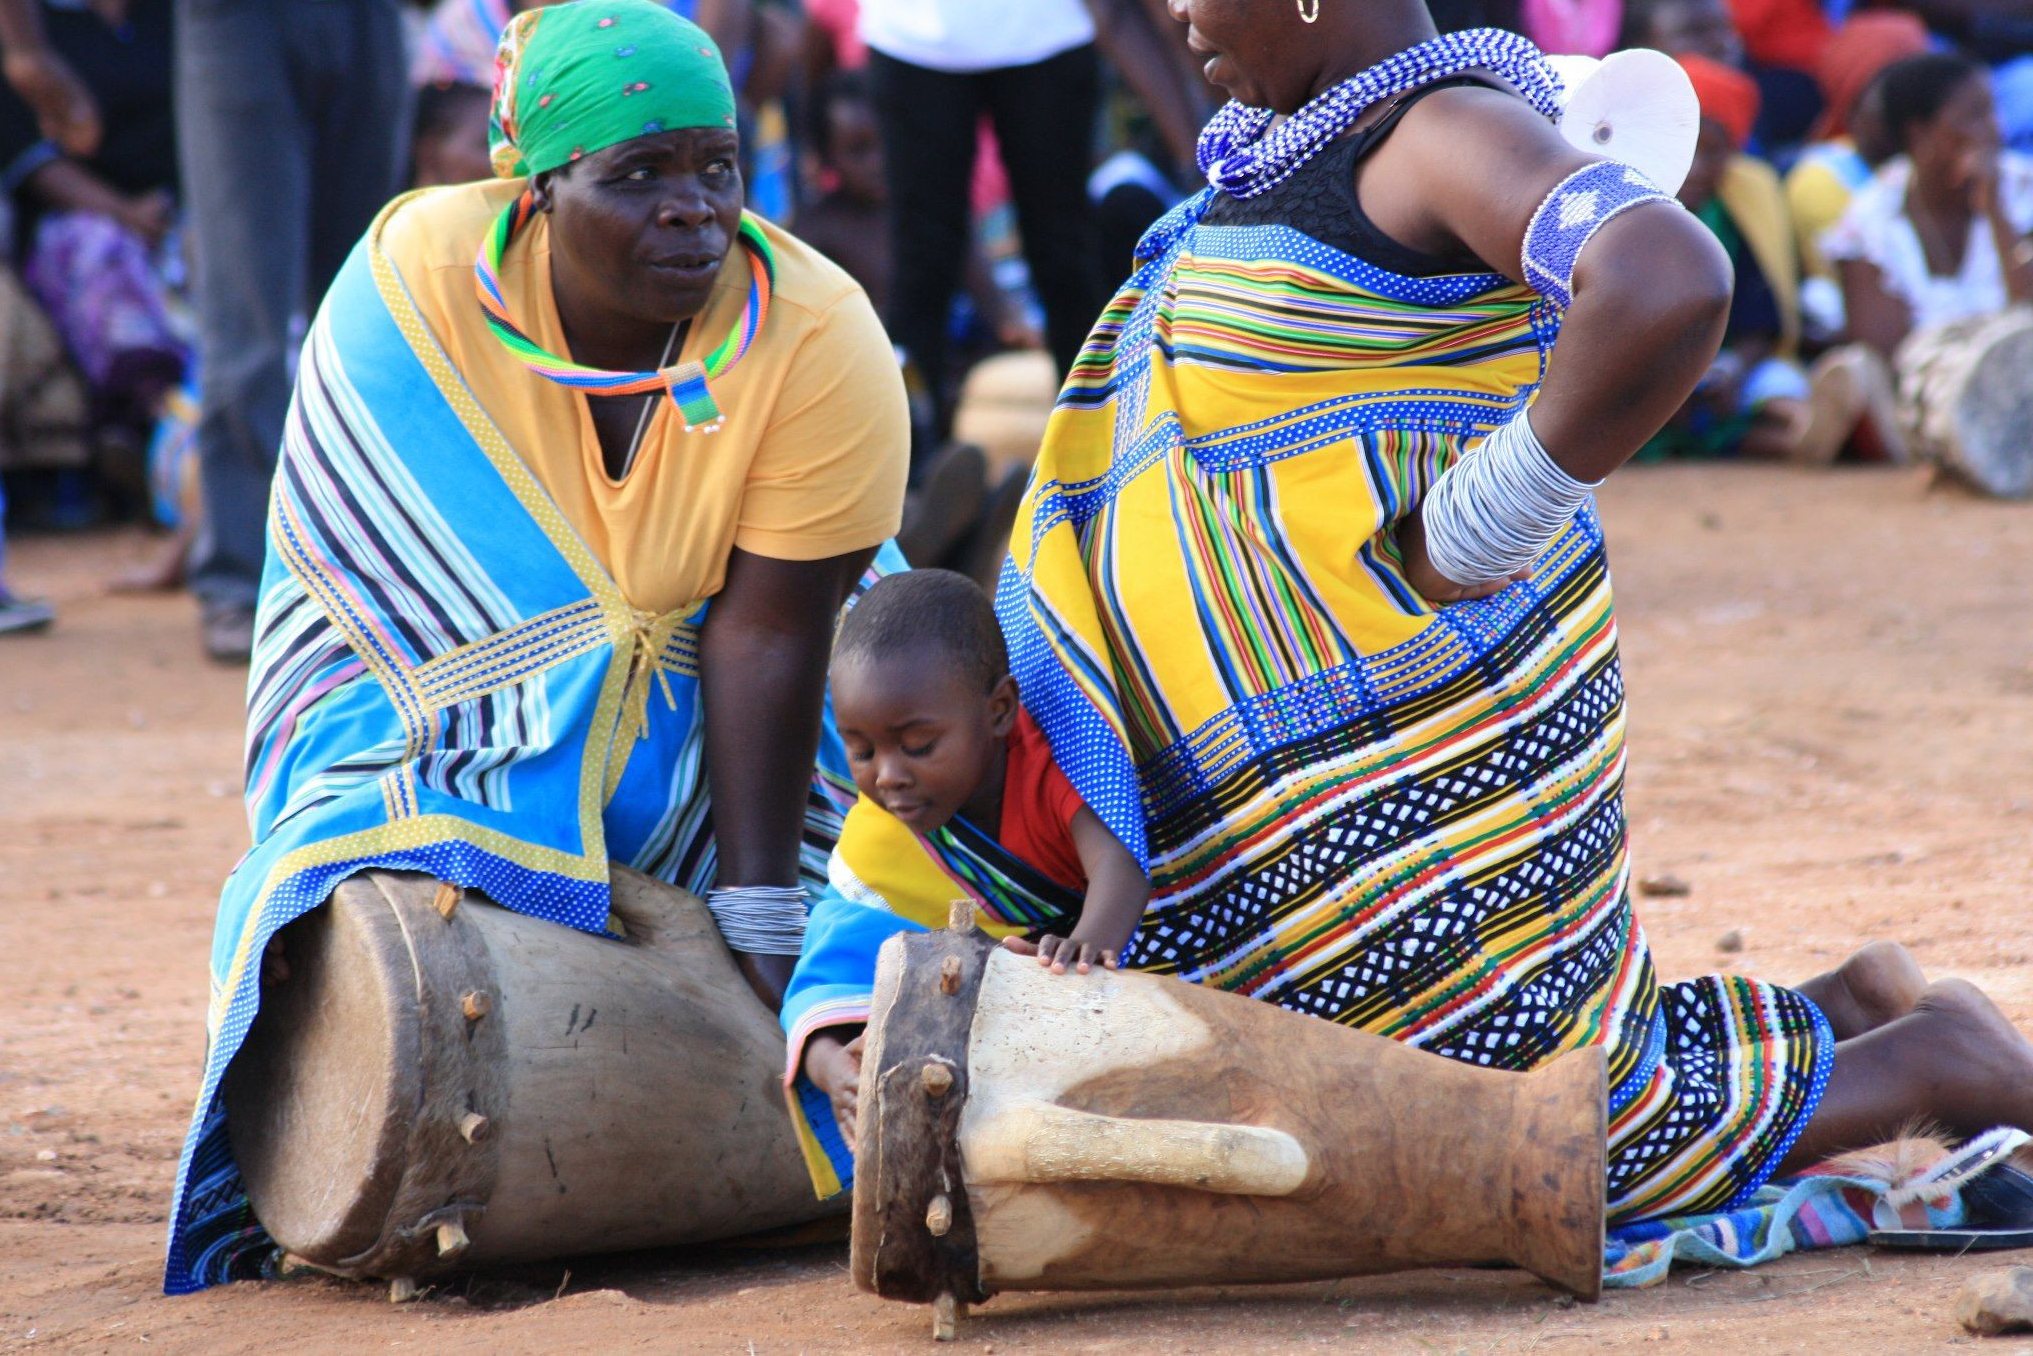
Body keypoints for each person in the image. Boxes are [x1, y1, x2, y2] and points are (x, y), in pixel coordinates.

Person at [790, 0, 2033, 1235]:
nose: (1171, 11)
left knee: (1528, 1135)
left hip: (1419, 754)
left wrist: (1487, 513)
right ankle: (1855, 1008)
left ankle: (1941, 1064)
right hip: (1296, 802)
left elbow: (1661, 277)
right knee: (1389, 1102)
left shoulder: (1433, 132)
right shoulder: (1290, 141)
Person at [162, 0, 908, 1293]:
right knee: (352, 870)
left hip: (731, 734)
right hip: (443, 714)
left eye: (716, 167)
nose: (695, 208)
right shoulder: (412, 287)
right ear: (539, 187)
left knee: (903, 853)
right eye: (639, 176)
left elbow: (772, 635)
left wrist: (760, 922)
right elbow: (369, 598)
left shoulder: (816, 329)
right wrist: (581, 667)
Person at [795, 570, 1150, 1146]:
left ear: (999, 710)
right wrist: (830, 1067)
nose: (888, 776)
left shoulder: (1050, 757)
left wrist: (1085, 947)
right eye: (860, 751)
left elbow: (1120, 866)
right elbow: (823, 979)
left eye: (918, 746)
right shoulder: (879, 840)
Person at [178, 0, 414, 663]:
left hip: (369, 16)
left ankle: (374, 577)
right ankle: (237, 579)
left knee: (367, 305)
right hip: (240, 19)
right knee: (247, 315)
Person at [860, 0, 1108, 435]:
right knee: (921, 263)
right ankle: (910, 466)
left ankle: (1099, 452)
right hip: (911, 35)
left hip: (1049, 31)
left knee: (1064, 257)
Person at [0, 0, 182, 479]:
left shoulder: (168, 18)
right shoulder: (36, 28)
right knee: (101, 250)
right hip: (75, 217)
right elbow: (28, 157)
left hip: (173, 210)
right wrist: (123, 213)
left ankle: (168, 440)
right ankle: (146, 416)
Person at [1648, 54, 1814, 459]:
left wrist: (1733, 369)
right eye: (1685, 148)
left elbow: (1761, 320)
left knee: (1777, 383)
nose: (1698, 168)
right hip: (1642, 373)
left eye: (1714, 153)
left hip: (1720, 373)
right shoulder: (1630, 215)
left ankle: (1805, 429)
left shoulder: (1736, 217)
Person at [1824, 51, 2033, 357]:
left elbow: (2028, 306)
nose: (1995, 130)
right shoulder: (1870, 218)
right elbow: (1884, 355)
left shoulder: (2023, 188)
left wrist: (1995, 208)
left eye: (1992, 111)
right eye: (1975, 115)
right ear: (1919, 133)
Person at [1785, 13, 1931, 287]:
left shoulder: (1933, 162)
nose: (1912, 110)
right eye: (1892, 96)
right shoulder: (1822, 180)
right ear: (1852, 108)